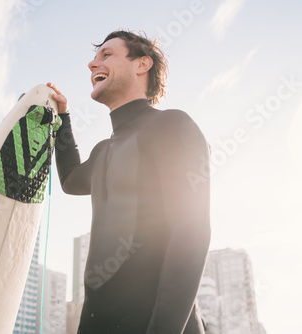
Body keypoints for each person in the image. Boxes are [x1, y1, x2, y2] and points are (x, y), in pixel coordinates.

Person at [47, 30, 211, 333]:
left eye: (106, 55)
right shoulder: (102, 152)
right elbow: (71, 180)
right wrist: (62, 120)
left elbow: (191, 234)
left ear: (142, 64)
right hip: (96, 321)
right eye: (95, 58)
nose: (92, 65)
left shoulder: (173, 126)